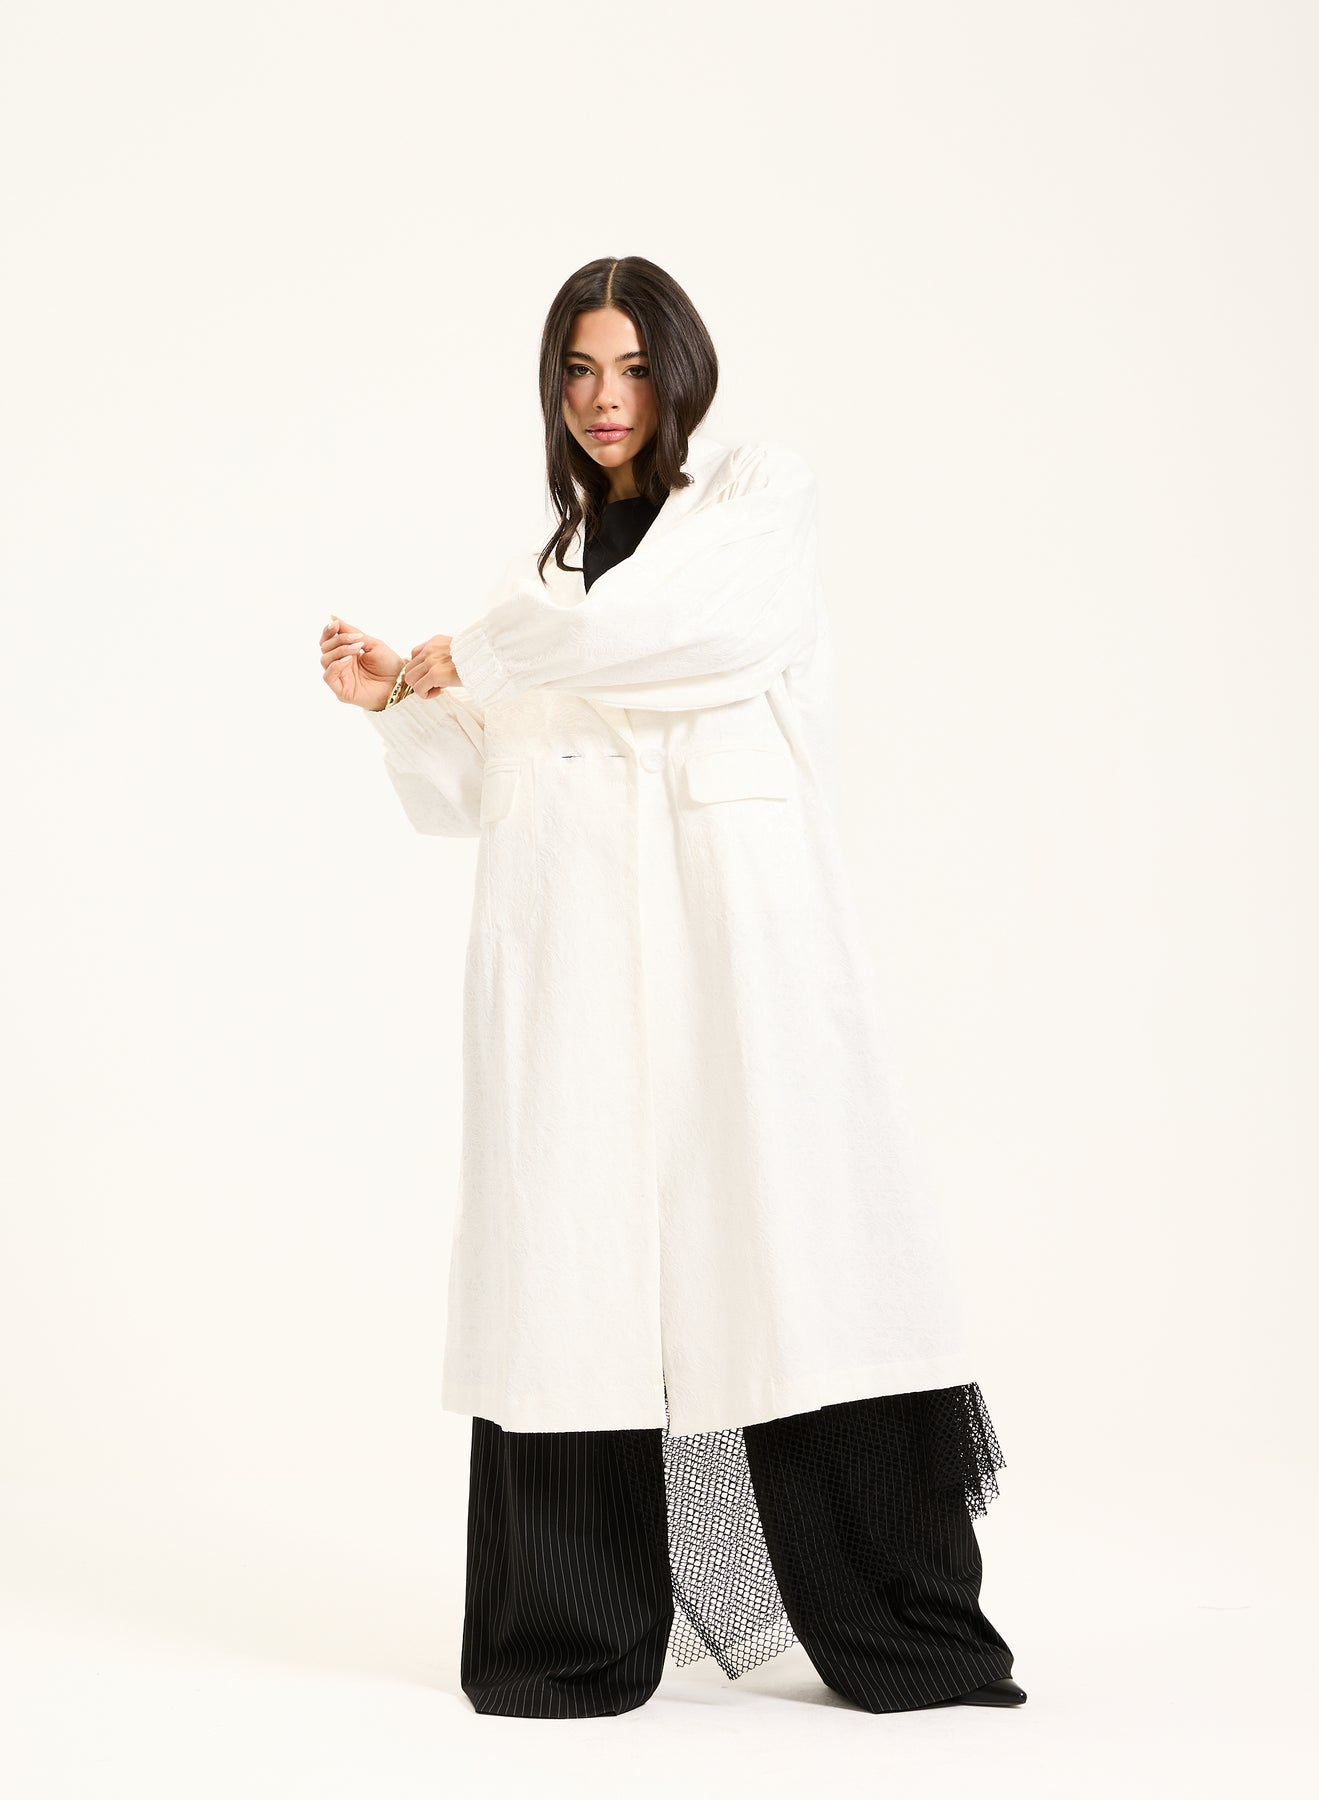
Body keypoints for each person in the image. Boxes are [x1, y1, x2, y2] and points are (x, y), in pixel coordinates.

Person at [318, 255, 1027, 1719]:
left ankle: (895, 1623)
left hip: (737, 950)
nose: (606, 399)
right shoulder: (539, 582)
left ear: (681, 373)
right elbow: (474, 789)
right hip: (575, 953)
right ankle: (568, 1636)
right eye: (579, 370)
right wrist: (404, 700)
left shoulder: (751, 507)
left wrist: (477, 651)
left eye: (633, 368)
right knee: (570, 1269)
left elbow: (660, 636)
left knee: (797, 1250)